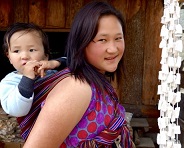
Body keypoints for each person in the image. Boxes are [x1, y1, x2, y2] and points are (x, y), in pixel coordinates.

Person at [22, 1, 135, 147]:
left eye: (118, 38)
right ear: (82, 42)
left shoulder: (96, 81)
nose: (113, 49)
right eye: (102, 40)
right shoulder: (76, 89)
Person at [0, 22, 66, 117]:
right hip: (40, 127)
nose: (24, 56)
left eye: (31, 50)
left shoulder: (52, 72)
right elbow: (17, 111)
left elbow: (78, 64)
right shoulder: (9, 82)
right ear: (9, 57)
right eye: (16, 51)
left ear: (46, 55)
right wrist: (27, 78)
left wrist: (55, 63)